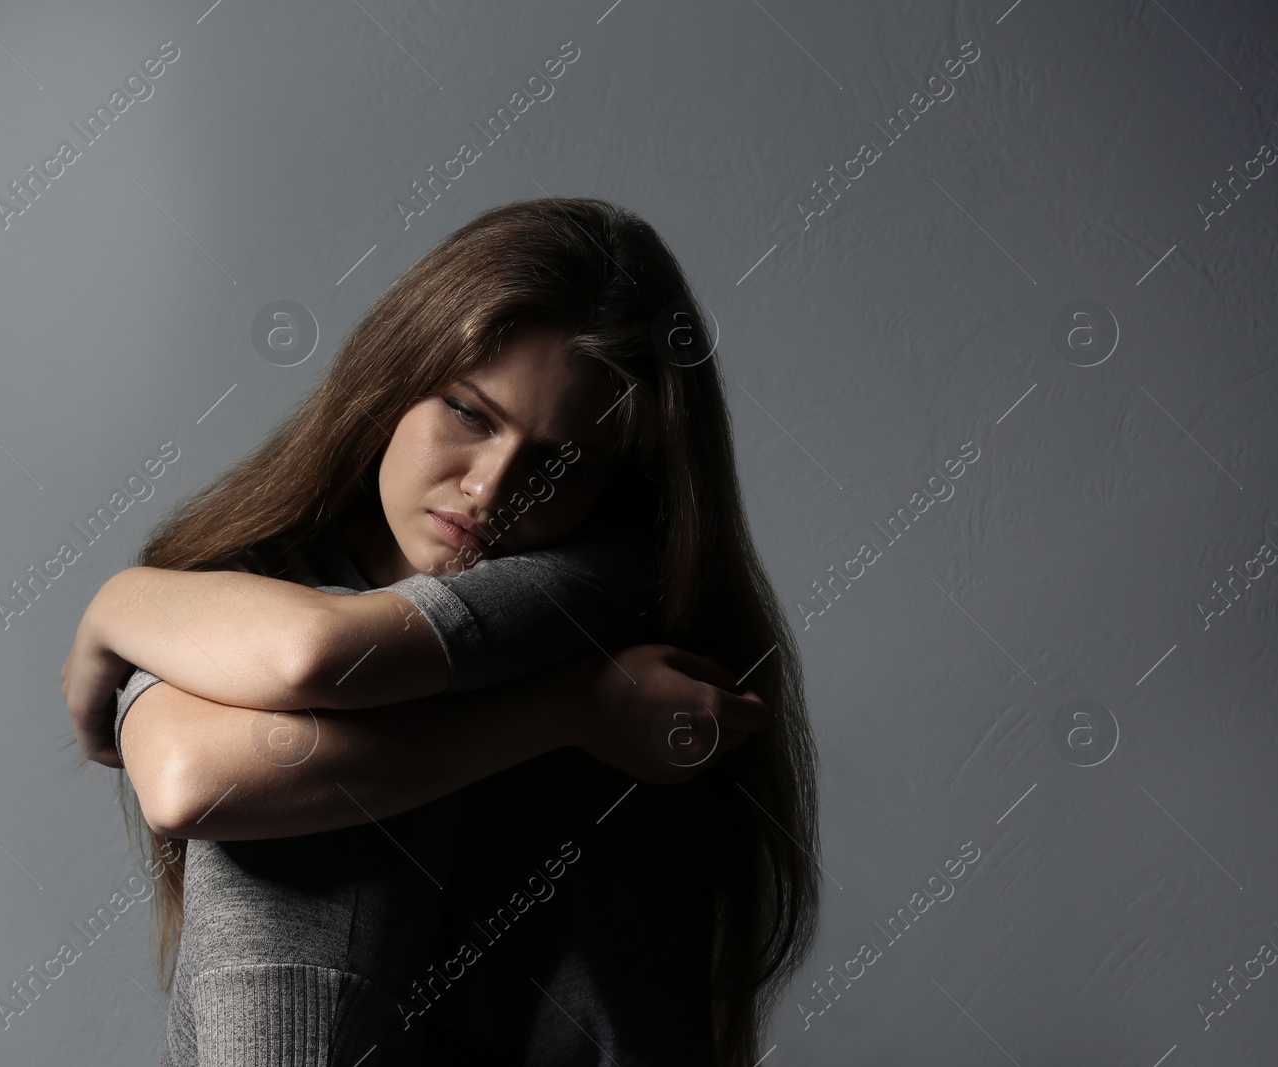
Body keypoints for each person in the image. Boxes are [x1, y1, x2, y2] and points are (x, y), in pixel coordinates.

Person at [61, 197, 821, 1065]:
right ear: (393, 380)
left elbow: (317, 658)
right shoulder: (261, 580)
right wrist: (574, 708)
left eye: (560, 461)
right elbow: (194, 779)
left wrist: (122, 607)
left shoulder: (603, 583)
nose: (495, 491)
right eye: (469, 413)